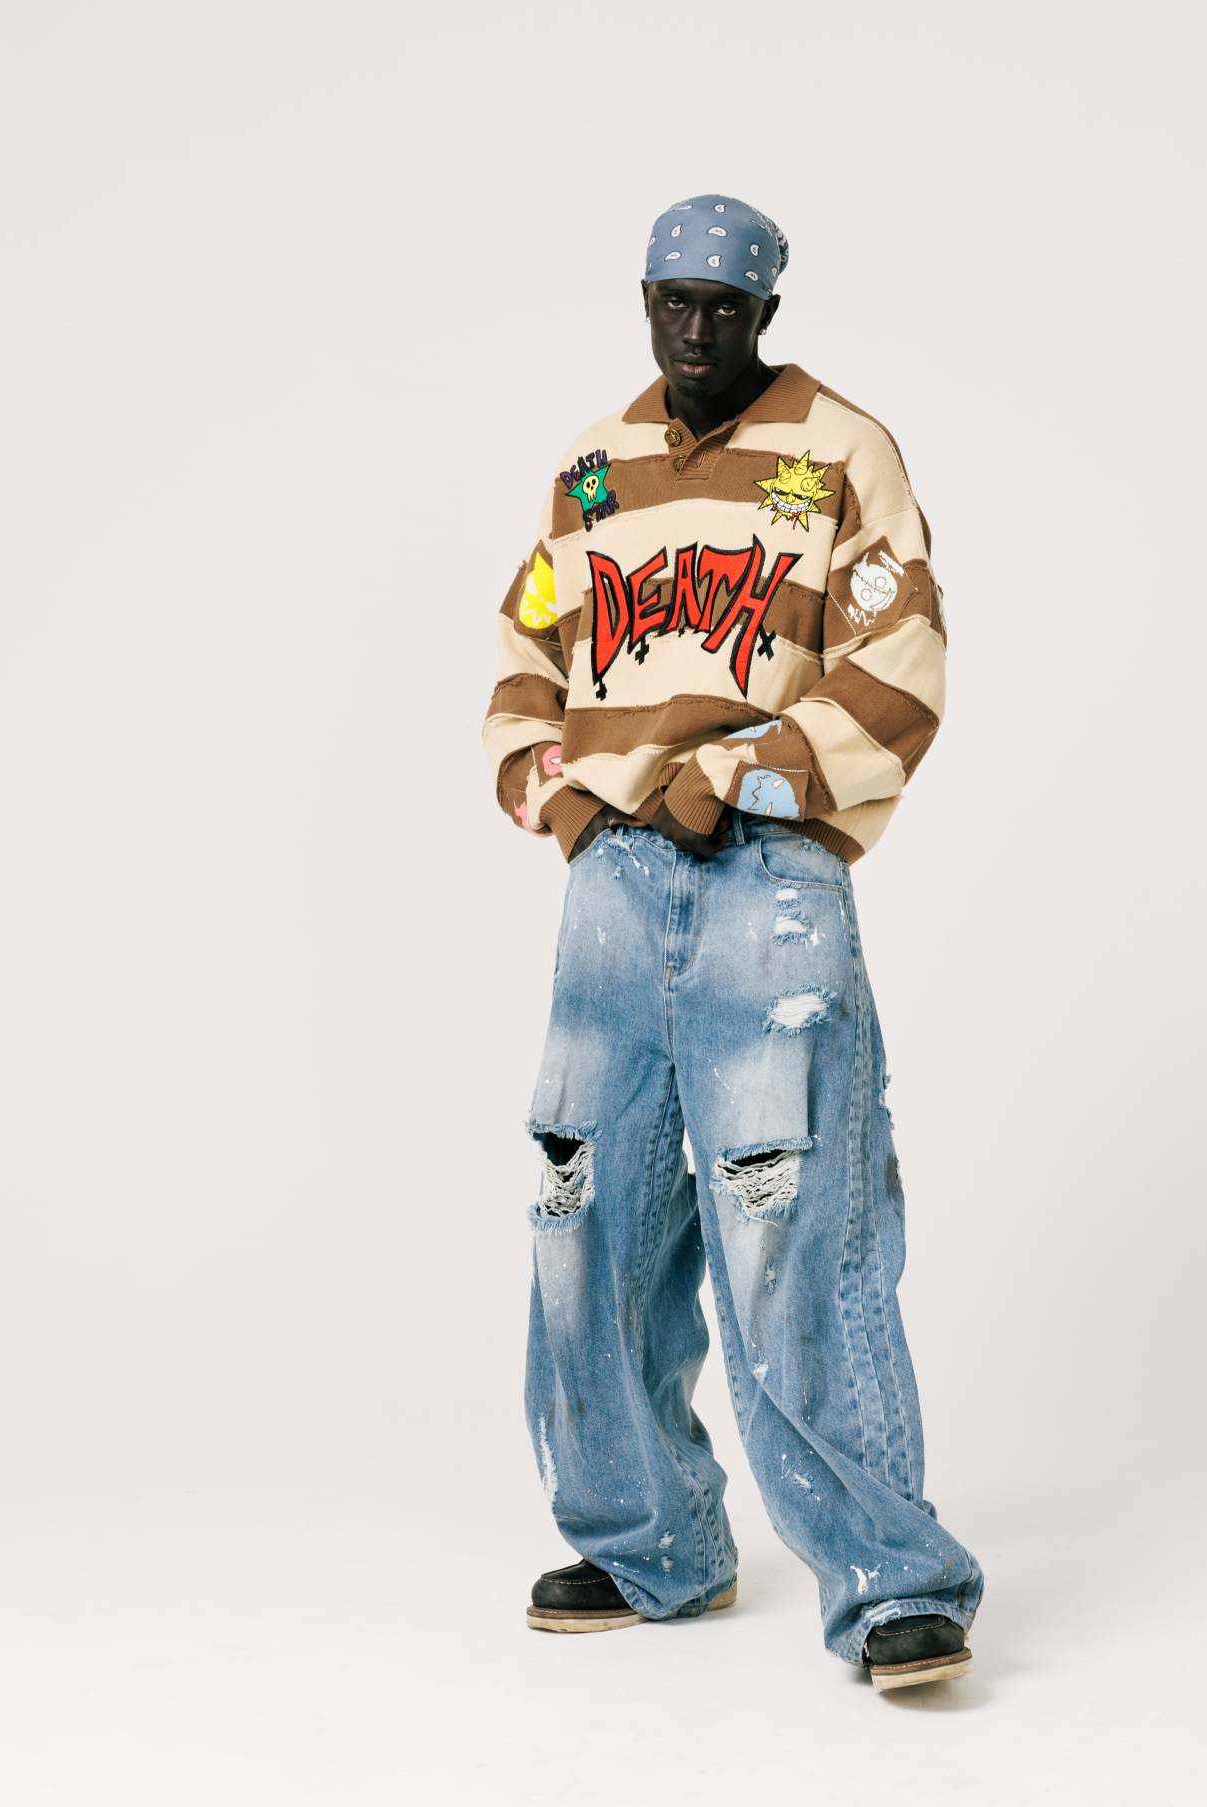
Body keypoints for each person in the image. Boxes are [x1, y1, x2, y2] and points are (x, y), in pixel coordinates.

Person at [482, 194, 983, 1690]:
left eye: (725, 307)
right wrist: (561, 796)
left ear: (766, 311)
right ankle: (651, 1544)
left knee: (793, 1227)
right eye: (672, 301)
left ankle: (893, 1579)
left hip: (768, 879)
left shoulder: (842, 452)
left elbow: (901, 669)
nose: (695, 330)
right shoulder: (592, 470)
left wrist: (734, 777)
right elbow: (526, 647)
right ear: (643, 299)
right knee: (586, 1213)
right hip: (613, 888)